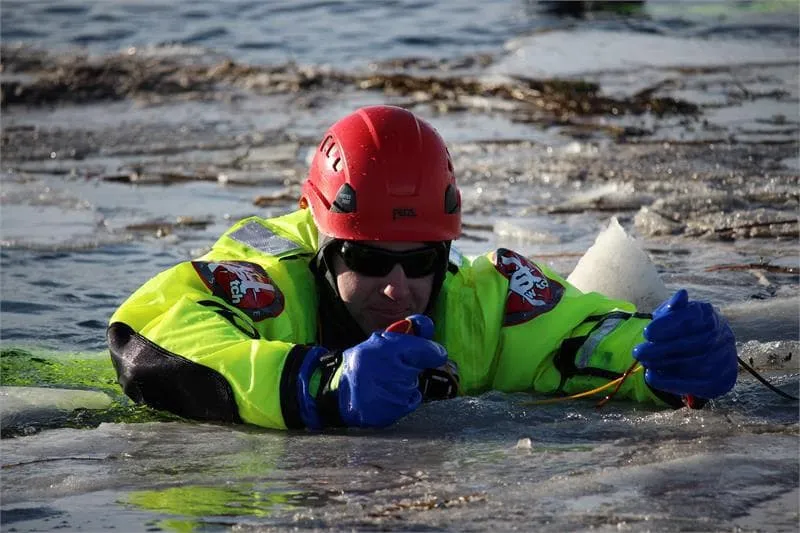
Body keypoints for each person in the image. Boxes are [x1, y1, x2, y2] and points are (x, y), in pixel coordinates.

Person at [107, 105, 738, 430]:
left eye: (420, 262)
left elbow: (578, 333)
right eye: (368, 258)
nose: (396, 286)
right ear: (326, 250)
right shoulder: (269, 280)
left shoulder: (478, 299)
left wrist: (663, 361)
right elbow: (147, 334)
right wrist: (320, 385)